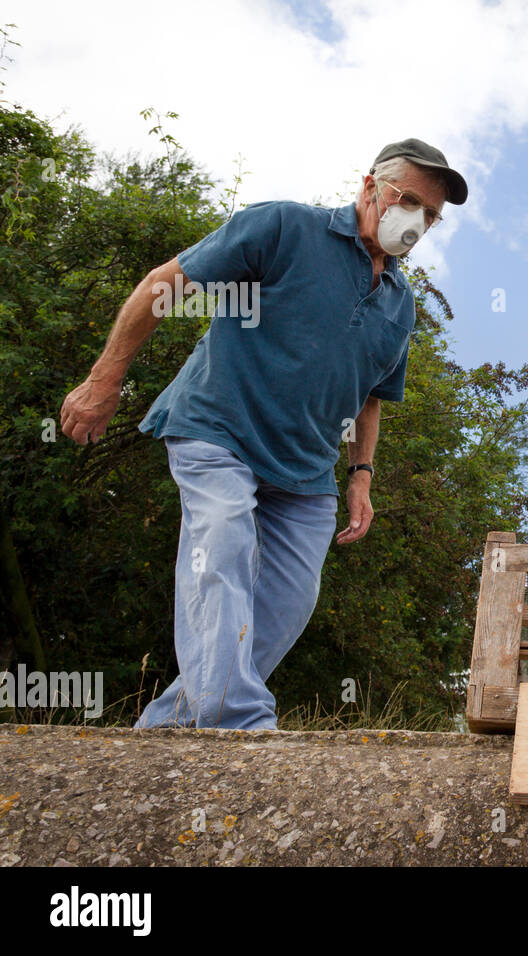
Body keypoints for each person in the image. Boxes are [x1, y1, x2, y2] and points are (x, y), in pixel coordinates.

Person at [59, 139, 468, 729]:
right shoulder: (283, 227)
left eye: (431, 215)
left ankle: (172, 725)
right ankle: (234, 720)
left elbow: (372, 397)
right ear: (370, 186)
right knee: (223, 542)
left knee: (289, 601)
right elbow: (164, 283)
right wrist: (104, 381)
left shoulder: (400, 304)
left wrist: (361, 476)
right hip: (219, 429)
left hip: (305, 469)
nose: (418, 221)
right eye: (409, 201)